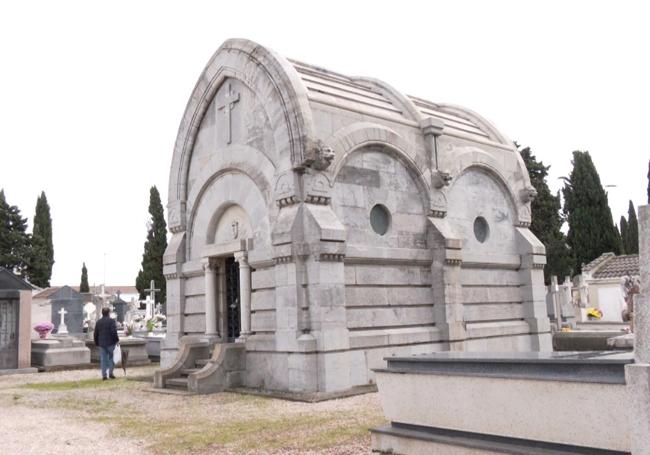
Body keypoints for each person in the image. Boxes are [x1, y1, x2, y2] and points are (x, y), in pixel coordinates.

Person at [93, 307, 119, 380]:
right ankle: (110, 373)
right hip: (111, 342)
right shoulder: (111, 321)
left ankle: (104, 375)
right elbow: (114, 332)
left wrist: (96, 342)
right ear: (109, 313)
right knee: (112, 358)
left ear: (102, 313)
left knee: (103, 359)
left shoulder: (98, 322)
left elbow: (95, 334)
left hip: (102, 343)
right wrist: (116, 340)